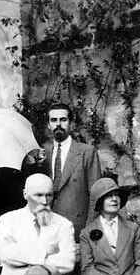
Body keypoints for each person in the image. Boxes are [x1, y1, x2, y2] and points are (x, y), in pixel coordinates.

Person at [44, 103, 102, 241]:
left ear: (71, 124)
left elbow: (96, 196)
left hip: (76, 229)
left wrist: (88, 231)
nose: (58, 124)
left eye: (63, 120)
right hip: (48, 229)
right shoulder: (43, 152)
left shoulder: (86, 152)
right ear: (48, 125)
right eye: (54, 120)